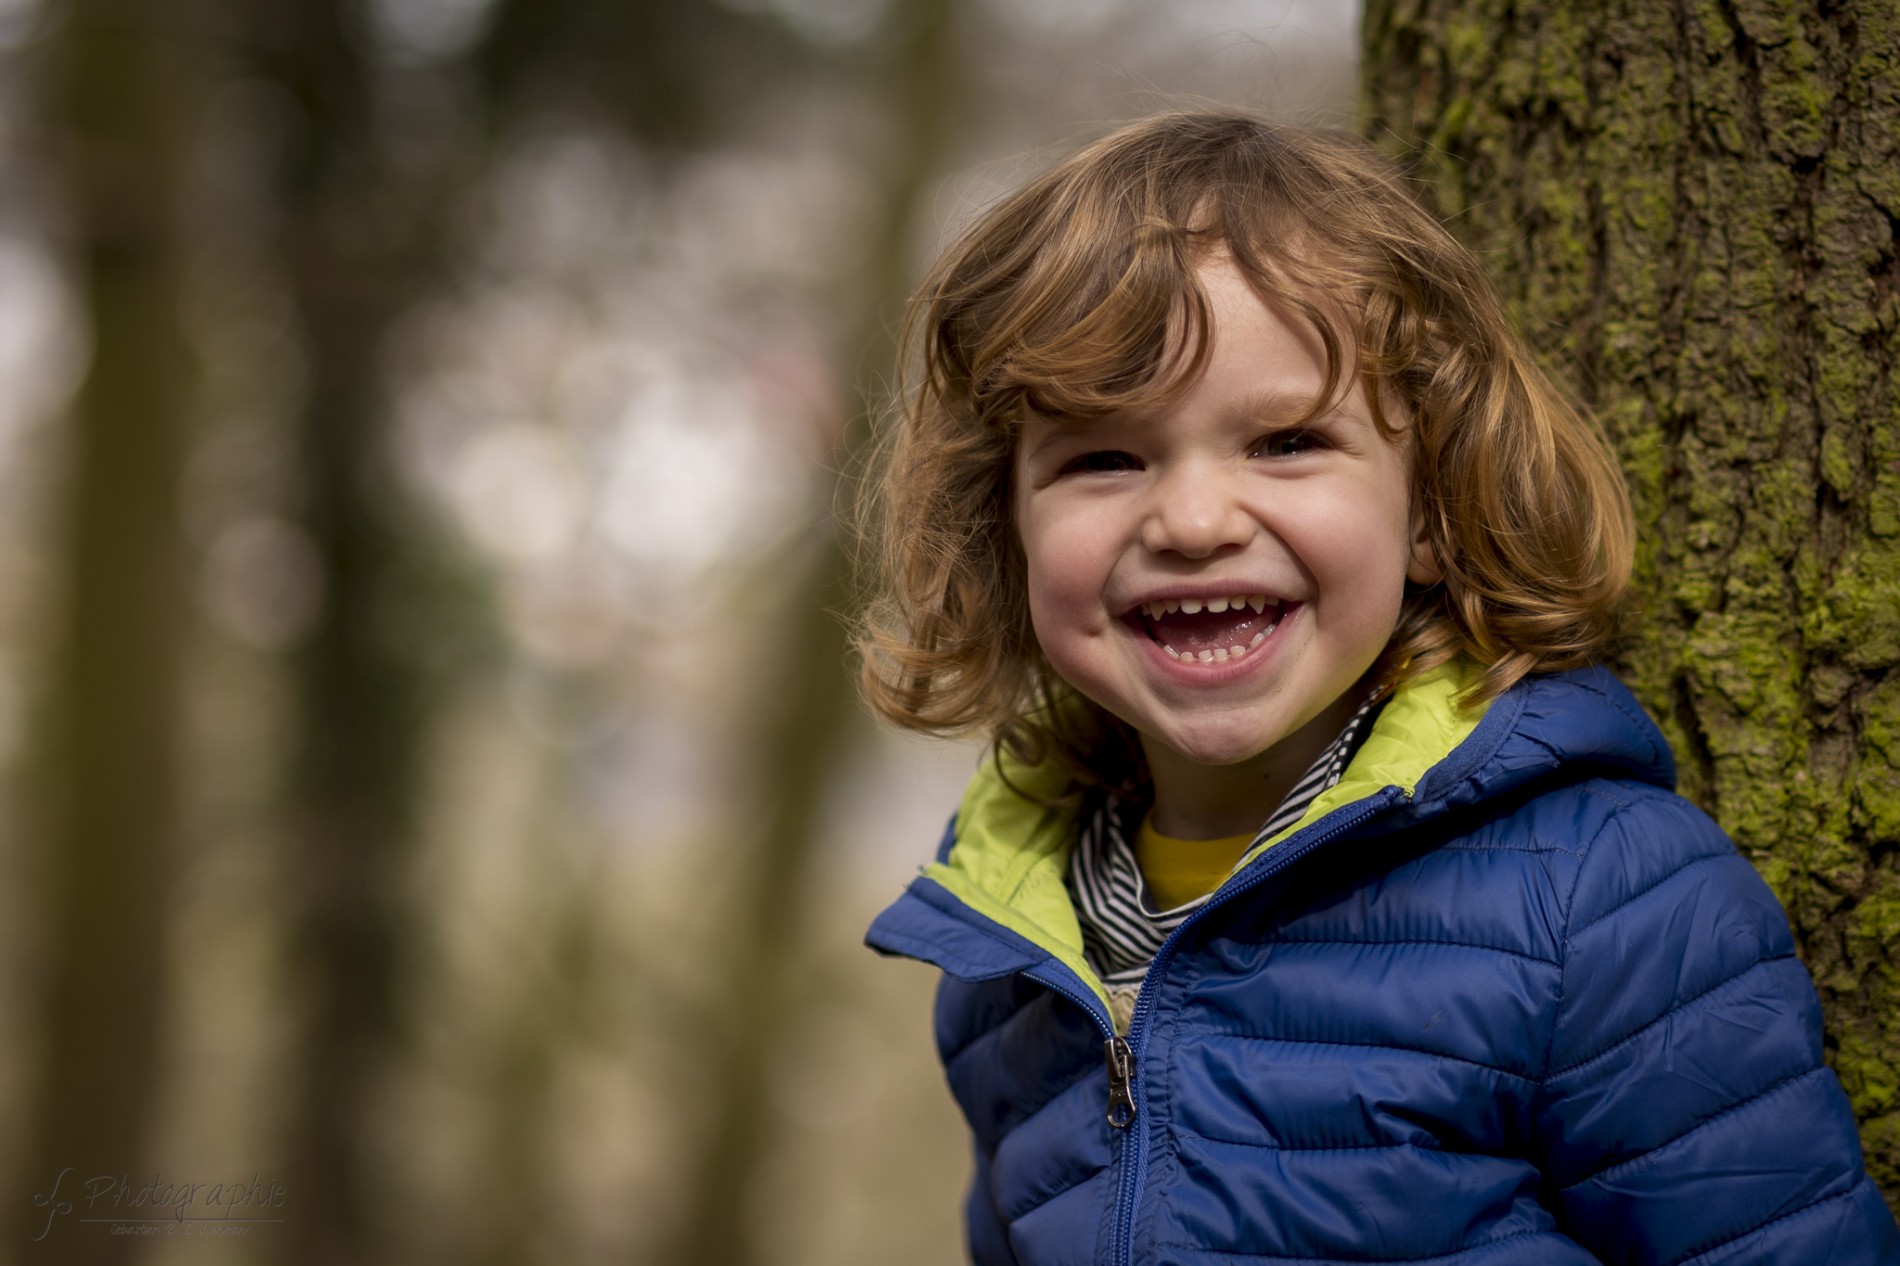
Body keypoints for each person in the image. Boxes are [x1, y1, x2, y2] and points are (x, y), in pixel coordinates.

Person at [855, 111, 1900, 1265]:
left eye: (1286, 441)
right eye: (1103, 457)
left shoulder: (1602, 902)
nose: (1194, 521)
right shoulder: (1006, 946)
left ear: (1433, 514)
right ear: (1004, 534)